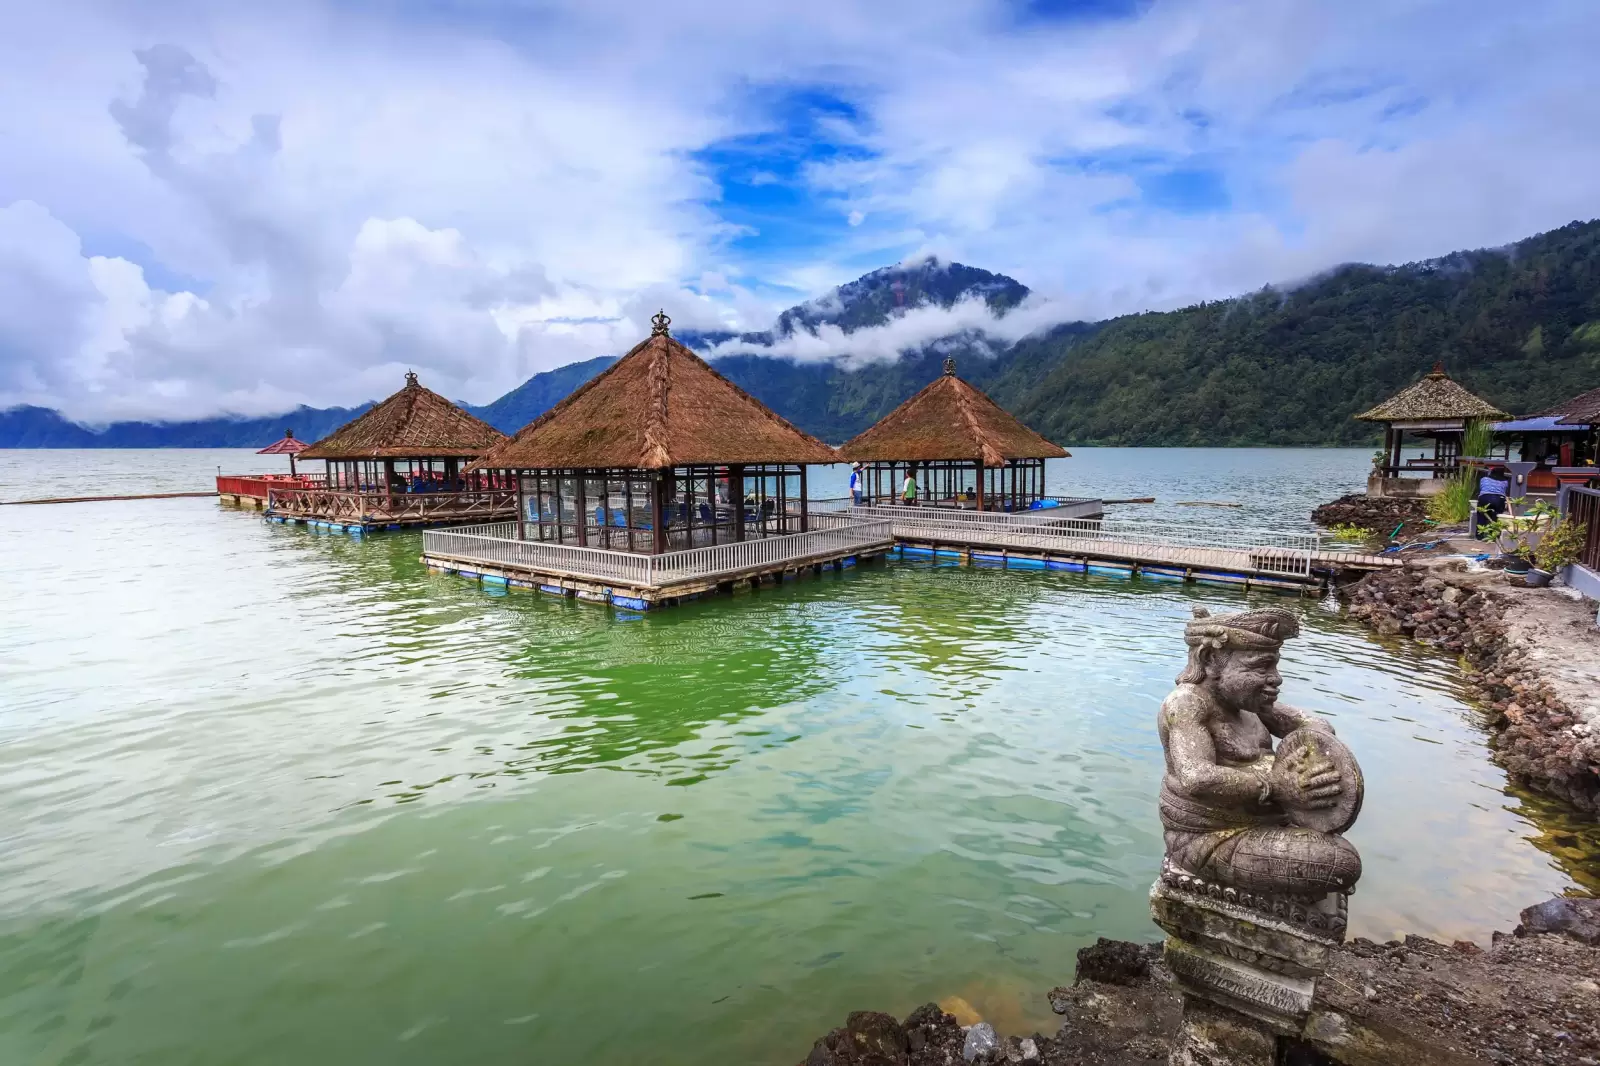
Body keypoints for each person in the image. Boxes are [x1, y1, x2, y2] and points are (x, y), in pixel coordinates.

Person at [1158, 606, 1362, 899]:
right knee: (1342, 863)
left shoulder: (1248, 704)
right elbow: (1197, 777)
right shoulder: (1187, 705)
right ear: (1210, 661)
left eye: (1275, 666)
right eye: (1260, 667)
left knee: (1336, 849)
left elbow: (1314, 726)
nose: (1276, 678)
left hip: (1264, 820)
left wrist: (1312, 766)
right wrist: (1279, 785)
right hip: (1211, 837)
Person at [1475, 464, 1510, 537]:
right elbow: (1505, 492)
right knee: (1496, 517)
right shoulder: (1505, 482)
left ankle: (1479, 536)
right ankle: (1493, 536)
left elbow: (1481, 489)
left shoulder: (1484, 479)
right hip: (1499, 499)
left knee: (1481, 516)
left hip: (1484, 497)